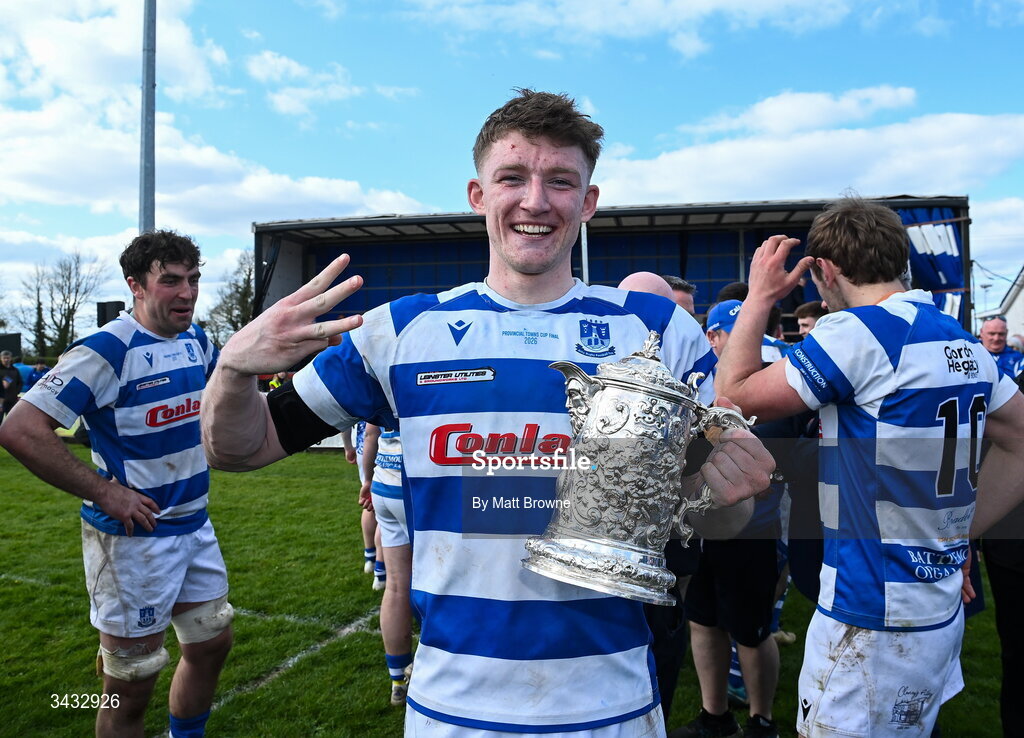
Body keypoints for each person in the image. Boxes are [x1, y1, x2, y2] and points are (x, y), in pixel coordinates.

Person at [201, 89, 775, 736]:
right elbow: (239, 448)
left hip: (612, 707)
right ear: (478, 195)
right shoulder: (400, 331)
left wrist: (731, 487)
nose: (535, 201)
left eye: (560, 181)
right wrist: (232, 370)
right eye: (513, 177)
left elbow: (725, 495)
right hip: (452, 711)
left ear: (587, 203)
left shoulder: (658, 331)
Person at [713, 197, 1024, 737]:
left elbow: (732, 396)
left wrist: (760, 294)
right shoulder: (960, 337)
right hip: (936, 606)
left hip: (870, 611)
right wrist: (960, 535)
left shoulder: (858, 331)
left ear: (826, 271)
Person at [0, 231, 233, 738]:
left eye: (193, 279)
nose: (187, 293)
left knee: (212, 642)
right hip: (133, 542)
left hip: (194, 525)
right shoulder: (106, 349)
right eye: (170, 281)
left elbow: (226, 402)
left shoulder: (198, 340)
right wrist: (106, 491)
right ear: (136, 285)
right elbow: (20, 428)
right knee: (132, 683)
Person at [359, 423, 415, 705]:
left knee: (395, 588)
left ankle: (397, 681)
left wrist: (367, 480)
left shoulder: (385, 375)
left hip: (385, 478)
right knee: (447, 580)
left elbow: (371, 432)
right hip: (421, 480)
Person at [1, 349, 23, 421]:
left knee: (11, 421)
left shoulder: (15, 370)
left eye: (8, 358)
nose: (6, 360)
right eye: (4, 358)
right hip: (1, 401)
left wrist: (16, 392)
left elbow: (20, 382)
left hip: (12, 400)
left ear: (11, 358)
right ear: (1, 358)